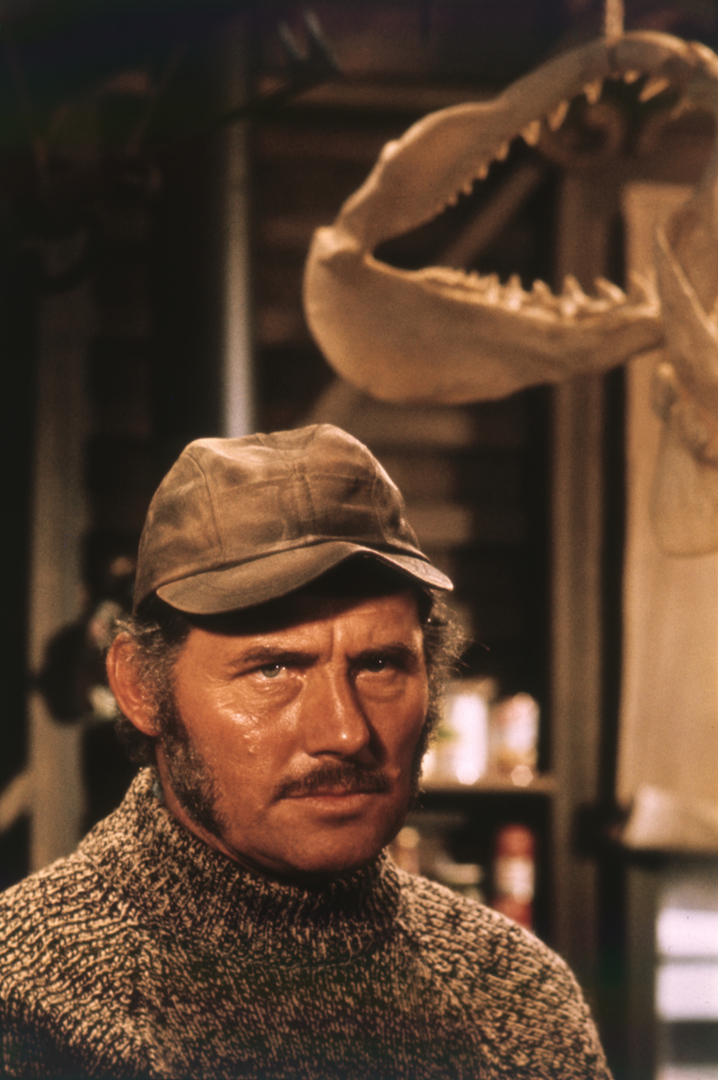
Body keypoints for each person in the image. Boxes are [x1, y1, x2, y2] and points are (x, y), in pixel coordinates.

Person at [0, 424, 612, 1079]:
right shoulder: (26, 1000)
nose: (345, 732)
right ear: (141, 687)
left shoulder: (516, 996)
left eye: (379, 664)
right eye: (273, 669)